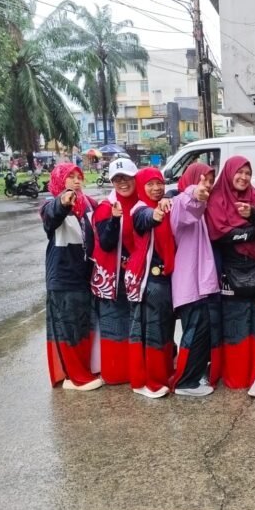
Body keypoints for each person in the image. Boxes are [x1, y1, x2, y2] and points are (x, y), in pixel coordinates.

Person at [206, 156, 255, 398]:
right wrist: (252, 232)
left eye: (248, 172)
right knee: (235, 323)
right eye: (239, 172)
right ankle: (236, 372)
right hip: (230, 270)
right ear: (229, 172)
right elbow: (220, 234)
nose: (244, 177)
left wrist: (253, 217)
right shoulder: (217, 198)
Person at [41, 163, 102, 391]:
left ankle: (81, 371)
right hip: (63, 277)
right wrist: (63, 201)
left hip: (83, 276)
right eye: (70, 177)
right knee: (68, 328)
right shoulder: (52, 205)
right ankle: (75, 377)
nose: (77, 181)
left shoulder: (87, 204)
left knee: (82, 326)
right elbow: (51, 215)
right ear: (60, 181)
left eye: (79, 177)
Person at [168, 163, 220, 397]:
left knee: (199, 331)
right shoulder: (180, 202)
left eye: (210, 180)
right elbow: (192, 205)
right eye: (203, 179)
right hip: (189, 282)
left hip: (198, 283)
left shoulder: (194, 205)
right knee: (195, 332)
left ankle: (193, 374)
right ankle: (186, 382)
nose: (207, 185)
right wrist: (195, 192)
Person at [125, 168, 176, 399]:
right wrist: (155, 215)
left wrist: (167, 200)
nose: (156, 188)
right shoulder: (140, 209)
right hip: (148, 280)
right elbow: (144, 219)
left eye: (159, 183)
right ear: (140, 186)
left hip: (163, 278)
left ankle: (163, 374)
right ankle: (148, 381)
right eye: (150, 184)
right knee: (150, 329)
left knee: (165, 328)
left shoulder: (166, 202)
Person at [90, 157, 139, 385]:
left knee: (136, 324)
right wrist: (115, 220)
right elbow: (107, 243)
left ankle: (137, 370)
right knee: (113, 324)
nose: (123, 183)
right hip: (112, 279)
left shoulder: (144, 204)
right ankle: (116, 373)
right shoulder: (105, 208)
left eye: (127, 178)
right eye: (117, 179)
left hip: (137, 277)